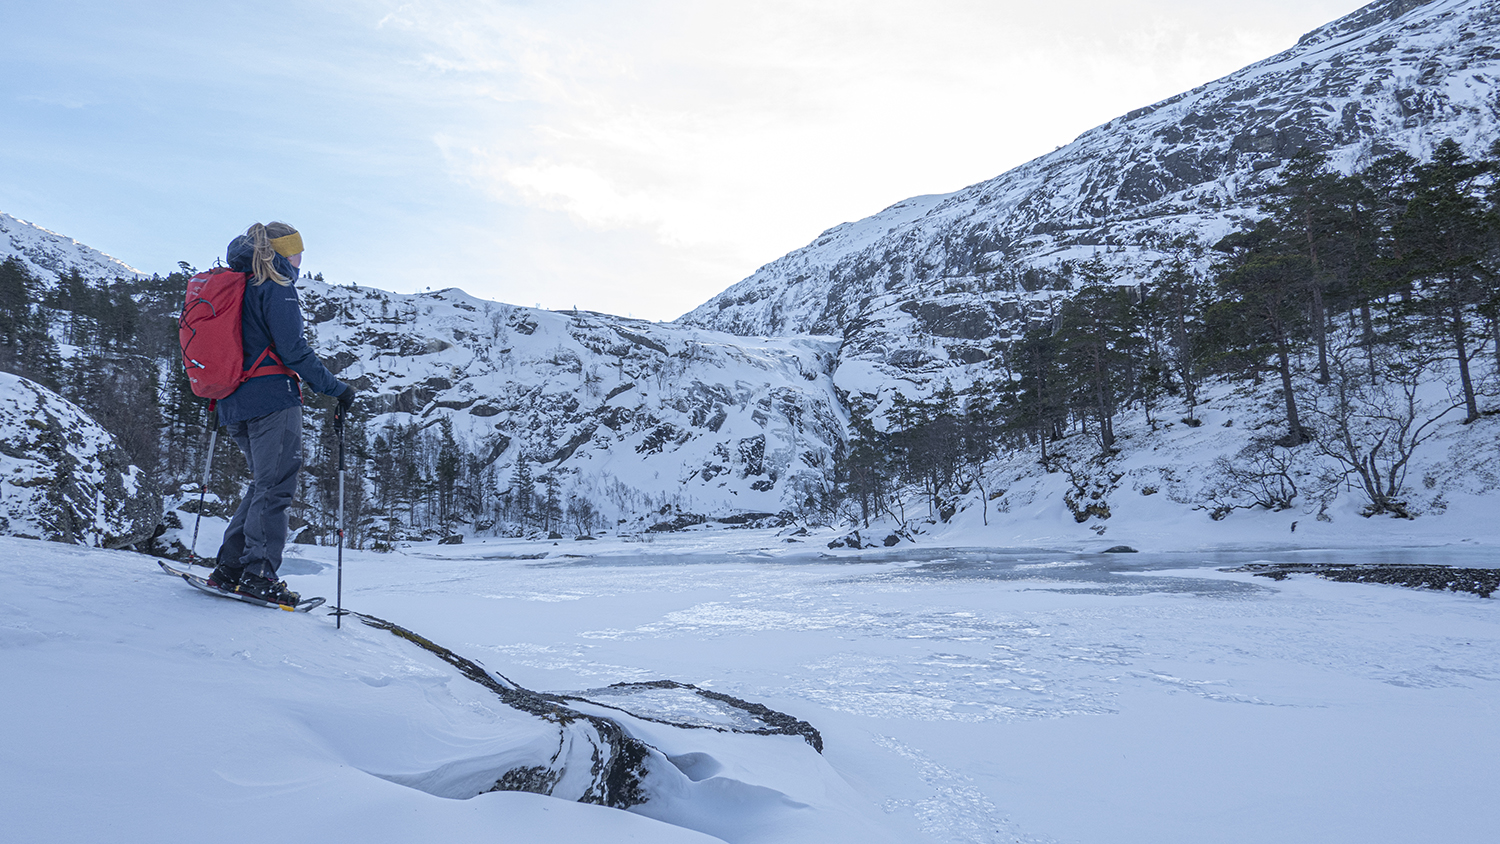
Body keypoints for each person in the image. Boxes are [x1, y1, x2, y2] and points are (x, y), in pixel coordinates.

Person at [206, 222, 356, 605]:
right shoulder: (275, 284)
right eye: (299, 253)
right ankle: (259, 574)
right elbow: (293, 350)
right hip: (272, 398)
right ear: (288, 253)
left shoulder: (236, 283)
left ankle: (231, 568)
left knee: (263, 484)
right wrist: (336, 389)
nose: (302, 261)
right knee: (275, 488)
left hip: (233, 402)